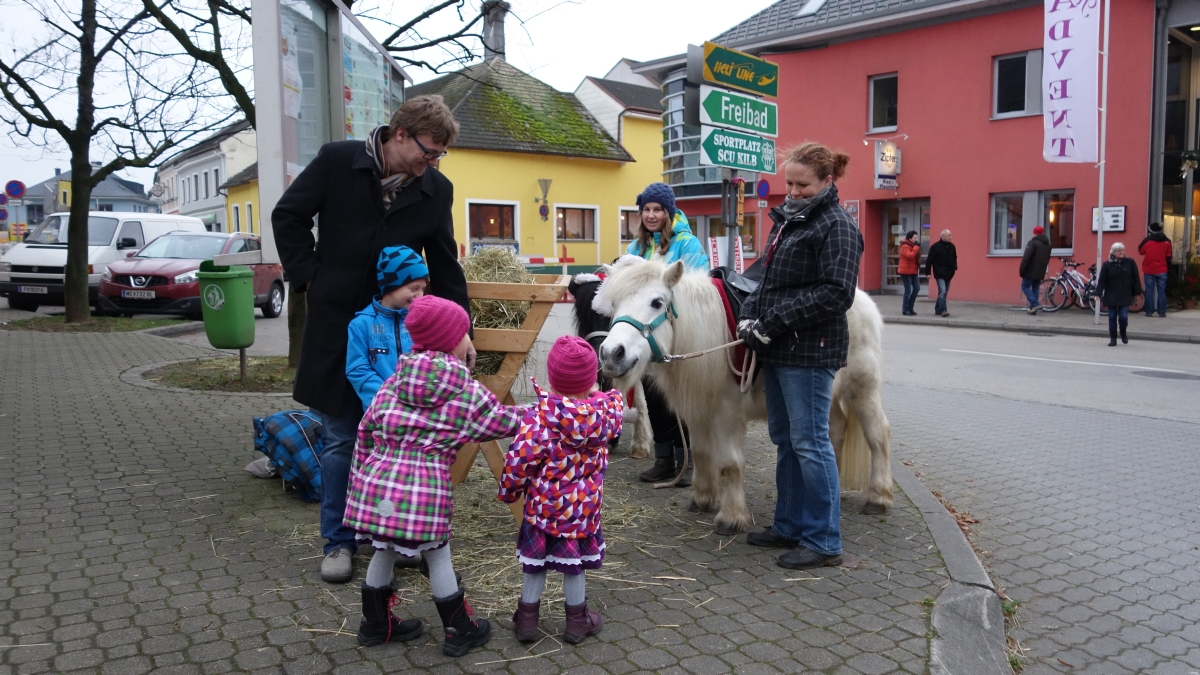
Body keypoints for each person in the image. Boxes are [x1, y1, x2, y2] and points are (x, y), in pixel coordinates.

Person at [273, 95, 472, 584]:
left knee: (396, 442)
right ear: (400, 134)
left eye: (440, 155)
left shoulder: (436, 189)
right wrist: (311, 276)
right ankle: (338, 542)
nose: (433, 162)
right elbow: (289, 215)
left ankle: (390, 535)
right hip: (338, 325)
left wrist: (460, 329)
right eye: (428, 151)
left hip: (398, 336)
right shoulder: (338, 161)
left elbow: (444, 262)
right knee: (341, 439)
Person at [343, 295, 525, 656]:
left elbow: (365, 430)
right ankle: (459, 630)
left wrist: (358, 483)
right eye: (465, 333)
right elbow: (505, 422)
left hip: (378, 483)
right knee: (438, 554)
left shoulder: (395, 381)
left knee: (384, 547)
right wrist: (552, 411)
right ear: (453, 339)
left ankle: (374, 625)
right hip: (425, 489)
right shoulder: (463, 390)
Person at [736, 142, 863, 570]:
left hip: (810, 352)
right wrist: (748, 316)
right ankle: (789, 524)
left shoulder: (838, 226)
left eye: (802, 185)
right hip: (779, 347)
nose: (792, 192)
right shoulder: (789, 220)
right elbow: (766, 280)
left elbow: (836, 293)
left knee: (810, 443)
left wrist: (773, 321)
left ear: (827, 181)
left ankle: (824, 540)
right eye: (789, 183)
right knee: (786, 440)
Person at [499, 336, 623, 645]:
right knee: (574, 567)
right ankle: (577, 622)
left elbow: (520, 461)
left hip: (543, 511)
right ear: (592, 378)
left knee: (535, 565)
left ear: (552, 378)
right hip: (582, 513)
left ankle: (527, 620)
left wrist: (509, 491)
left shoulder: (541, 418)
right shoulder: (602, 418)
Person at [626, 182, 708, 487]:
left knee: (679, 401)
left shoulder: (687, 244)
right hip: (646, 336)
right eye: (646, 209)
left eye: (658, 209)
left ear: (669, 212)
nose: (651, 215)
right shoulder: (635, 248)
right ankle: (663, 459)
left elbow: (699, 285)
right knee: (655, 398)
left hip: (677, 334)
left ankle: (686, 461)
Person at [345, 246, 428, 410]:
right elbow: (357, 370)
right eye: (414, 289)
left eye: (422, 289)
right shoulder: (361, 324)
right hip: (382, 411)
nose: (420, 295)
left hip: (420, 411)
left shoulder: (423, 321)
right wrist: (389, 397)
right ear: (391, 285)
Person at [1096, 242, 1143, 346]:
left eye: (1123, 250)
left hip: (1125, 293)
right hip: (1111, 294)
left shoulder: (1130, 262)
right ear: (1113, 253)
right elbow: (1102, 280)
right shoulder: (1107, 264)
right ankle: (1113, 338)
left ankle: (1123, 333)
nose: (1122, 252)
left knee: (1123, 317)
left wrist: (1137, 292)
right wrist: (1098, 293)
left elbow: (1136, 277)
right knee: (1112, 317)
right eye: (1119, 251)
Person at [1138, 222, 1172, 317]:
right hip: (1162, 268)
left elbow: (1140, 251)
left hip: (1149, 268)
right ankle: (1162, 312)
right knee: (1162, 291)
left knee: (1149, 291)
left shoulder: (1147, 240)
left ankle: (1149, 312)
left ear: (1151, 230)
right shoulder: (1167, 241)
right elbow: (1169, 256)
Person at [1019, 226, 1052, 314]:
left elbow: (1026, 258)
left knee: (1025, 286)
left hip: (1030, 270)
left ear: (1034, 233)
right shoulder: (1048, 245)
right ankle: (1033, 308)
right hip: (1041, 270)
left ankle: (1035, 304)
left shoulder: (1032, 243)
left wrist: (1022, 269)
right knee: (1035, 287)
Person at [924, 230, 957, 317]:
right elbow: (929, 261)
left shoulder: (952, 247)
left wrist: (954, 267)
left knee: (944, 292)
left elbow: (954, 258)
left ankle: (938, 309)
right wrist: (928, 273)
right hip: (939, 273)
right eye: (949, 235)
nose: (951, 237)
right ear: (943, 236)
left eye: (950, 235)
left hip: (949, 273)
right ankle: (943, 310)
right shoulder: (935, 247)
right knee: (942, 291)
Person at [898, 231, 920, 315]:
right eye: (914, 238)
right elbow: (910, 256)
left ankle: (911, 308)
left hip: (913, 270)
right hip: (905, 271)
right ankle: (905, 309)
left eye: (916, 238)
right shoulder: (904, 246)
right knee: (908, 290)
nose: (916, 239)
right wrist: (916, 248)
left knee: (917, 288)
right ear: (909, 238)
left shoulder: (913, 246)